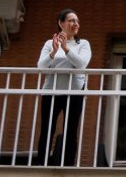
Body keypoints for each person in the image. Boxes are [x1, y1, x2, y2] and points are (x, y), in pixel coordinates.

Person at [37, 9, 91, 166]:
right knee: (47, 128)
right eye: (71, 20)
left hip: (74, 92)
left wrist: (66, 48)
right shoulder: (49, 43)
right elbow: (41, 67)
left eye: (77, 21)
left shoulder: (83, 44)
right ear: (61, 23)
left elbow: (81, 65)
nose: (75, 24)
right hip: (50, 91)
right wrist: (54, 52)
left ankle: (68, 166)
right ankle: (42, 164)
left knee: (71, 130)